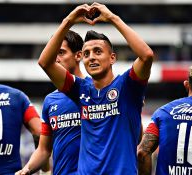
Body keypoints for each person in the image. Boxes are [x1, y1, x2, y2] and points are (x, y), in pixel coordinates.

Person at [37, 2, 154, 174]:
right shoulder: (80, 89)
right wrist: (68, 21)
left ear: (112, 57)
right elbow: (45, 62)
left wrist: (113, 18)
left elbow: (147, 55)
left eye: (98, 51)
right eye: (86, 54)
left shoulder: (128, 86)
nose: (91, 57)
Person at [16, 30, 89, 175]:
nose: (55, 59)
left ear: (78, 55)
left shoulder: (95, 91)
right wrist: (27, 169)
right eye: (54, 53)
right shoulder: (50, 101)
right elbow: (44, 149)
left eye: (61, 53)